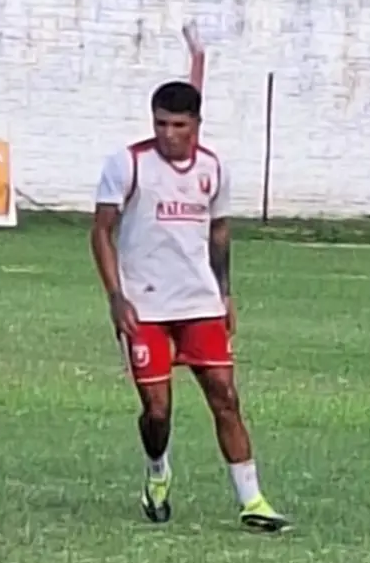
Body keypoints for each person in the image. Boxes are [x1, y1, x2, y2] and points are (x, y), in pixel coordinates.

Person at [89, 80, 290, 532]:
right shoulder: (128, 163)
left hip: (200, 304)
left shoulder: (214, 169)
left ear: (196, 124)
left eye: (179, 125)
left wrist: (225, 293)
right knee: (158, 410)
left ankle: (253, 500)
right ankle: (157, 470)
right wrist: (116, 296)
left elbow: (219, 233)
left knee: (226, 397)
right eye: (160, 123)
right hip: (145, 308)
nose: (168, 133)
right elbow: (101, 230)